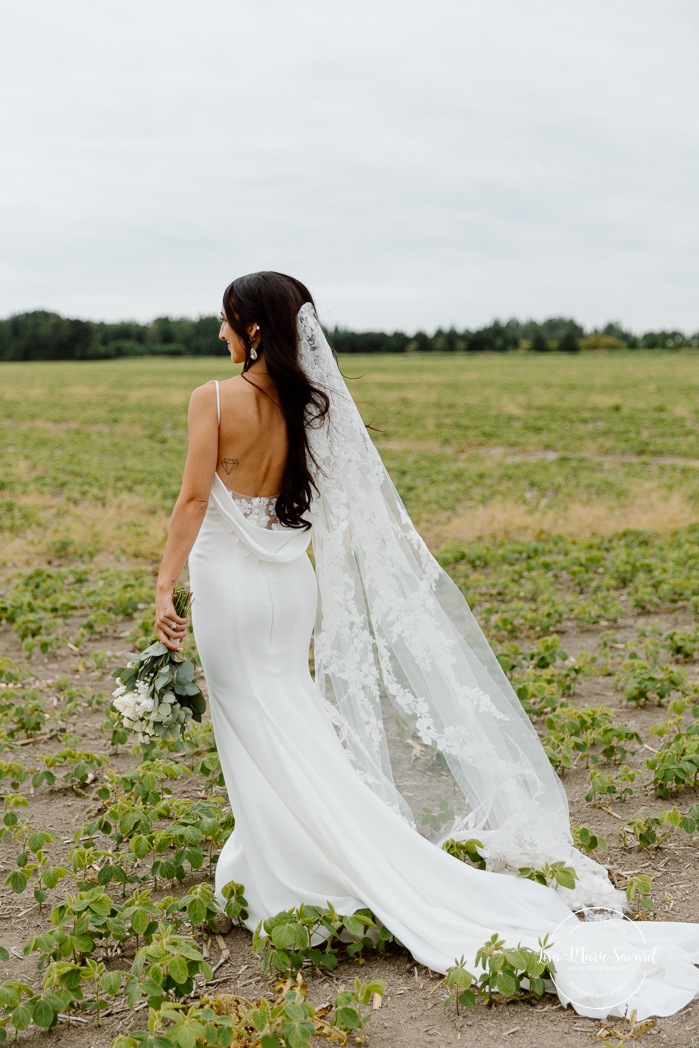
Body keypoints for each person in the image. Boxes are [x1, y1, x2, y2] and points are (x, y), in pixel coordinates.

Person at [155, 271, 699, 1021]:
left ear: (249, 327)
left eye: (224, 320)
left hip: (232, 591)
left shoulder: (211, 399)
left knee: (253, 724)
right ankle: (289, 857)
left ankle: (295, 872)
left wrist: (161, 586)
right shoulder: (309, 404)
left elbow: (191, 499)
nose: (217, 331)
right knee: (293, 717)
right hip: (290, 586)